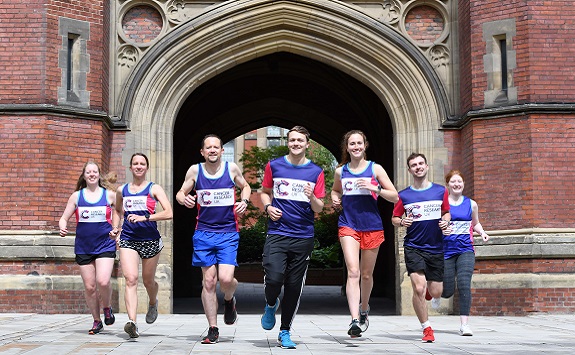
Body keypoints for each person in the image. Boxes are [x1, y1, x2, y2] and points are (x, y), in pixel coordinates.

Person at [175, 134, 251, 345]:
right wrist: (185, 199)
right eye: (208, 147)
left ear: (221, 150)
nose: (212, 150)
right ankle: (213, 328)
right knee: (208, 281)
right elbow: (180, 193)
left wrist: (244, 200)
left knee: (226, 279)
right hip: (204, 233)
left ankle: (229, 300)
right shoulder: (195, 170)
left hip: (228, 232)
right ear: (202, 152)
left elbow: (245, 186)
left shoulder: (231, 168)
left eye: (216, 147)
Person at [260, 125, 325, 349]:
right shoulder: (274, 166)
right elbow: (264, 192)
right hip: (277, 233)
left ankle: (285, 331)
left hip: (303, 236)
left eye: (300, 140)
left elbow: (319, 207)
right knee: (275, 278)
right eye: (292, 140)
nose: (295, 143)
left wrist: (311, 196)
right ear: (287, 143)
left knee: (294, 286)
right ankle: (270, 304)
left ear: (308, 144)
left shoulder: (316, 171)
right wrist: (268, 207)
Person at [330, 130, 398, 337]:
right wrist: (334, 199)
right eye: (352, 143)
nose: (356, 146)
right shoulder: (341, 171)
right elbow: (335, 190)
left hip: (372, 226)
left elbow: (395, 196)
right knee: (353, 271)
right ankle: (353, 321)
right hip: (348, 224)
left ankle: (364, 309)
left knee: (366, 275)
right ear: (347, 147)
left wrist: (375, 188)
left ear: (365, 145)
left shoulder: (375, 168)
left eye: (359, 143)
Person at [109, 153, 173, 339]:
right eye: (135, 163)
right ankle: (132, 323)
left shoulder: (154, 189)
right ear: (130, 168)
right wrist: (115, 228)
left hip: (150, 240)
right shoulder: (122, 190)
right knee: (131, 278)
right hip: (128, 239)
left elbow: (169, 212)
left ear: (146, 167)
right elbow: (118, 211)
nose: (138, 166)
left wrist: (145, 217)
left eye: (142, 164)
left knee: (148, 281)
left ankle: (153, 302)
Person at [391, 152, 451, 343]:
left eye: (421, 164)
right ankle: (427, 328)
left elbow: (447, 212)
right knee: (418, 287)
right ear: (409, 170)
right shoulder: (404, 195)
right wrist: (402, 221)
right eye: (414, 165)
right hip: (413, 246)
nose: (418, 167)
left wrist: (445, 222)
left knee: (436, 292)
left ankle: (428, 292)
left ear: (427, 166)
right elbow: (394, 218)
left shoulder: (441, 191)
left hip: (435, 248)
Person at [59, 161, 118, 335]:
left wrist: (116, 229)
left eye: (95, 172)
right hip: (84, 247)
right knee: (90, 287)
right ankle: (96, 320)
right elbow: (64, 218)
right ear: (84, 175)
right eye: (88, 172)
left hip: (105, 244)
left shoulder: (109, 195)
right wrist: (62, 226)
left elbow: (119, 213)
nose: (92, 174)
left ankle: (107, 308)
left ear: (99, 175)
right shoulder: (77, 197)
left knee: (103, 281)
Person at [430, 169, 489, 336]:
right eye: (453, 182)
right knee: (448, 291)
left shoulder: (471, 204)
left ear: (463, 184)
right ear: (448, 185)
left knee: (464, 284)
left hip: (465, 250)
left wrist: (482, 232)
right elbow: (434, 227)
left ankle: (464, 325)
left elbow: (475, 223)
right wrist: (442, 230)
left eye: (459, 182)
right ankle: (436, 294)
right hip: (446, 251)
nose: (457, 184)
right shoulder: (441, 205)